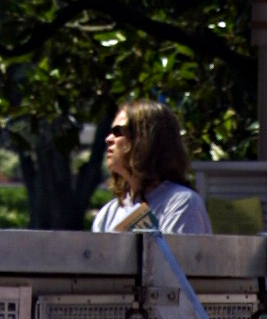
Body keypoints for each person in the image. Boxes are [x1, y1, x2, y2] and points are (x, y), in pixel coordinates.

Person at [91, 101, 212, 235]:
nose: (108, 139)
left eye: (118, 131)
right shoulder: (107, 214)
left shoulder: (181, 204)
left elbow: (173, 249)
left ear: (146, 139)